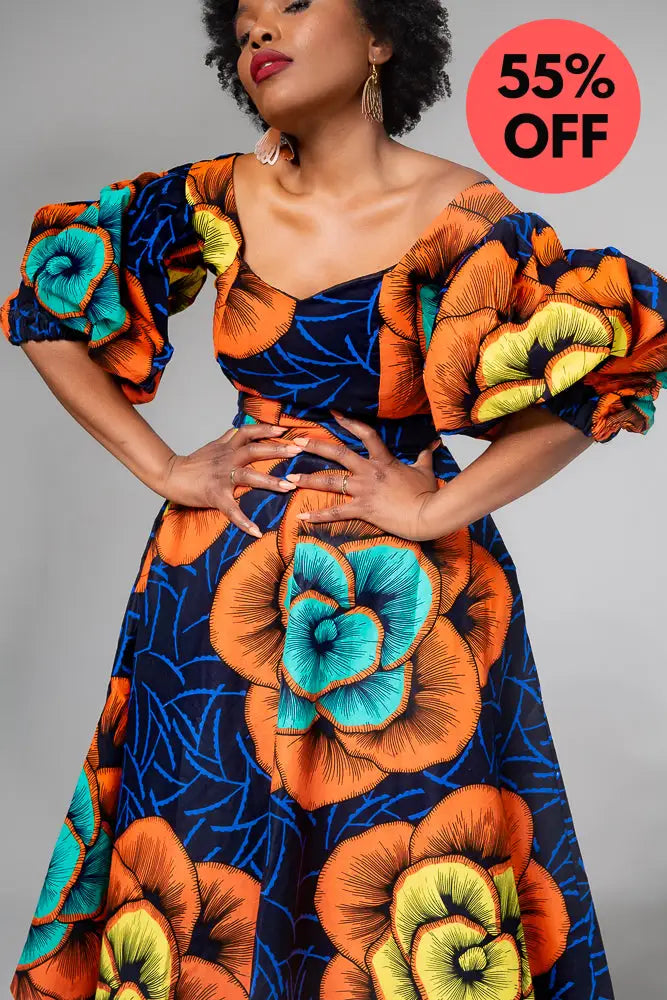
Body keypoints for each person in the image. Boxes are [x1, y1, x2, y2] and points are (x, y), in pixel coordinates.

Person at [3, 1, 666, 998]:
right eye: (245, 22)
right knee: (205, 880)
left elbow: (610, 363)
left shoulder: (464, 217)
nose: (259, 32)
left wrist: (435, 508)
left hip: (414, 618)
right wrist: (168, 469)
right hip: (217, 599)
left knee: (402, 893)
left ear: (381, 37)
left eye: (295, 5)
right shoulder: (215, 197)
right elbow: (51, 304)